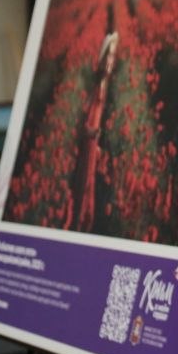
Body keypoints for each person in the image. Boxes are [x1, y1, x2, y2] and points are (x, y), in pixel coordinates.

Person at [70, 29, 118, 232]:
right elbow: (81, 125)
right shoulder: (94, 87)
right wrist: (92, 134)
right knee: (84, 191)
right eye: (107, 56)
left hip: (97, 148)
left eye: (113, 56)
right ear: (101, 59)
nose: (110, 61)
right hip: (88, 149)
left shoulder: (109, 87)